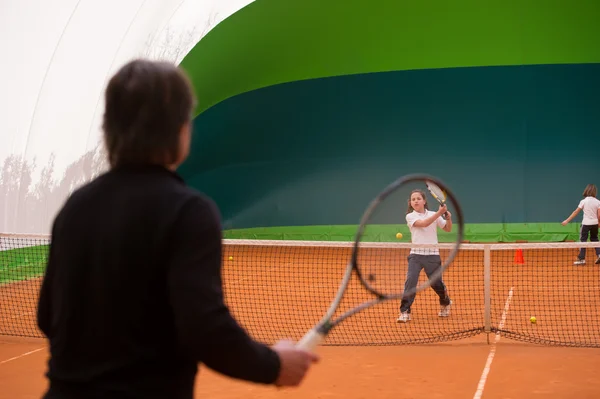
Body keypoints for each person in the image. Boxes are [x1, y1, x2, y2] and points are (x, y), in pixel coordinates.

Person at [36, 59, 318, 399]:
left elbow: (47, 316)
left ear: (108, 128)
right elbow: (205, 330)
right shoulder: (189, 212)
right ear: (181, 129)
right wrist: (274, 365)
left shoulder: (74, 208)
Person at [397, 189, 453, 323]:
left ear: (424, 201)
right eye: (413, 199)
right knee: (411, 282)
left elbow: (447, 228)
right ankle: (405, 311)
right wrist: (440, 213)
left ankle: (445, 302)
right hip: (415, 255)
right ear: (410, 203)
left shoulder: (433, 214)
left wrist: (448, 218)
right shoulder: (410, 216)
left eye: (418, 198)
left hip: (432, 255)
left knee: (436, 284)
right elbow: (424, 224)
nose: (415, 201)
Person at [561, 184, 600, 265]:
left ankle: (581, 259)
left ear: (586, 191)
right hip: (595, 224)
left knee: (583, 241)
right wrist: (599, 223)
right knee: (595, 239)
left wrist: (567, 221)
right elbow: (599, 215)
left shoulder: (583, 201)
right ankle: (599, 255)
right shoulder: (598, 202)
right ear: (594, 192)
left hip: (586, 224)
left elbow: (575, 212)